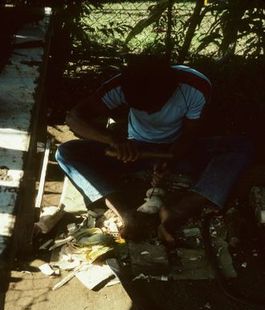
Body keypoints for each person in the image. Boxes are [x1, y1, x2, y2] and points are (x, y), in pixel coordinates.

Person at [55, 56, 253, 244]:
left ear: (171, 90)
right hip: (136, 149)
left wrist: (172, 158)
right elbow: (74, 118)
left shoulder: (195, 86)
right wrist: (114, 140)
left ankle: (180, 209)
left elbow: (190, 135)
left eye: (154, 106)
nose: (148, 113)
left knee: (241, 145)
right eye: (139, 107)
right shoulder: (123, 85)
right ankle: (125, 212)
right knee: (66, 153)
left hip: (180, 150)